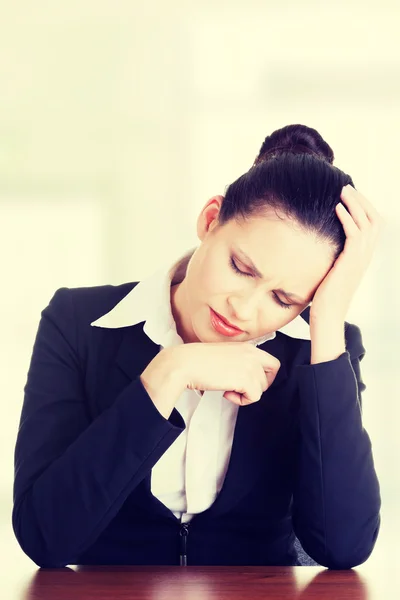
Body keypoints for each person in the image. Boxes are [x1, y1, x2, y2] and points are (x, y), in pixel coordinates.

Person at [12, 124, 384, 569]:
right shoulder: (77, 322)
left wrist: (327, 320)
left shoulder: (319, 349)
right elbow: (44, 536)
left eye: (284, 299)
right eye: (241, 268)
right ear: (210, 221)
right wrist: (169, 373)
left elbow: (343, 546)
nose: (244, 309)